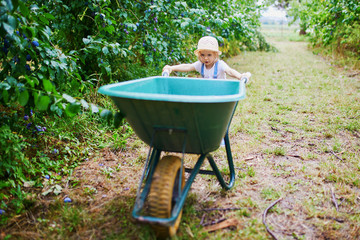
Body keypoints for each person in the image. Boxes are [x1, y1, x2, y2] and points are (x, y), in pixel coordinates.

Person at [162, 36, 251, 82]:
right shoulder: (200, 65)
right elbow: (187, 67)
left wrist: (240, 76)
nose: (205, 58)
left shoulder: (220, 65)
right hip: (207, 93)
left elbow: (230, 71)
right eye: (203, 55)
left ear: (215, 55)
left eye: (209, 55)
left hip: (220, 94)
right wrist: (171, 68)